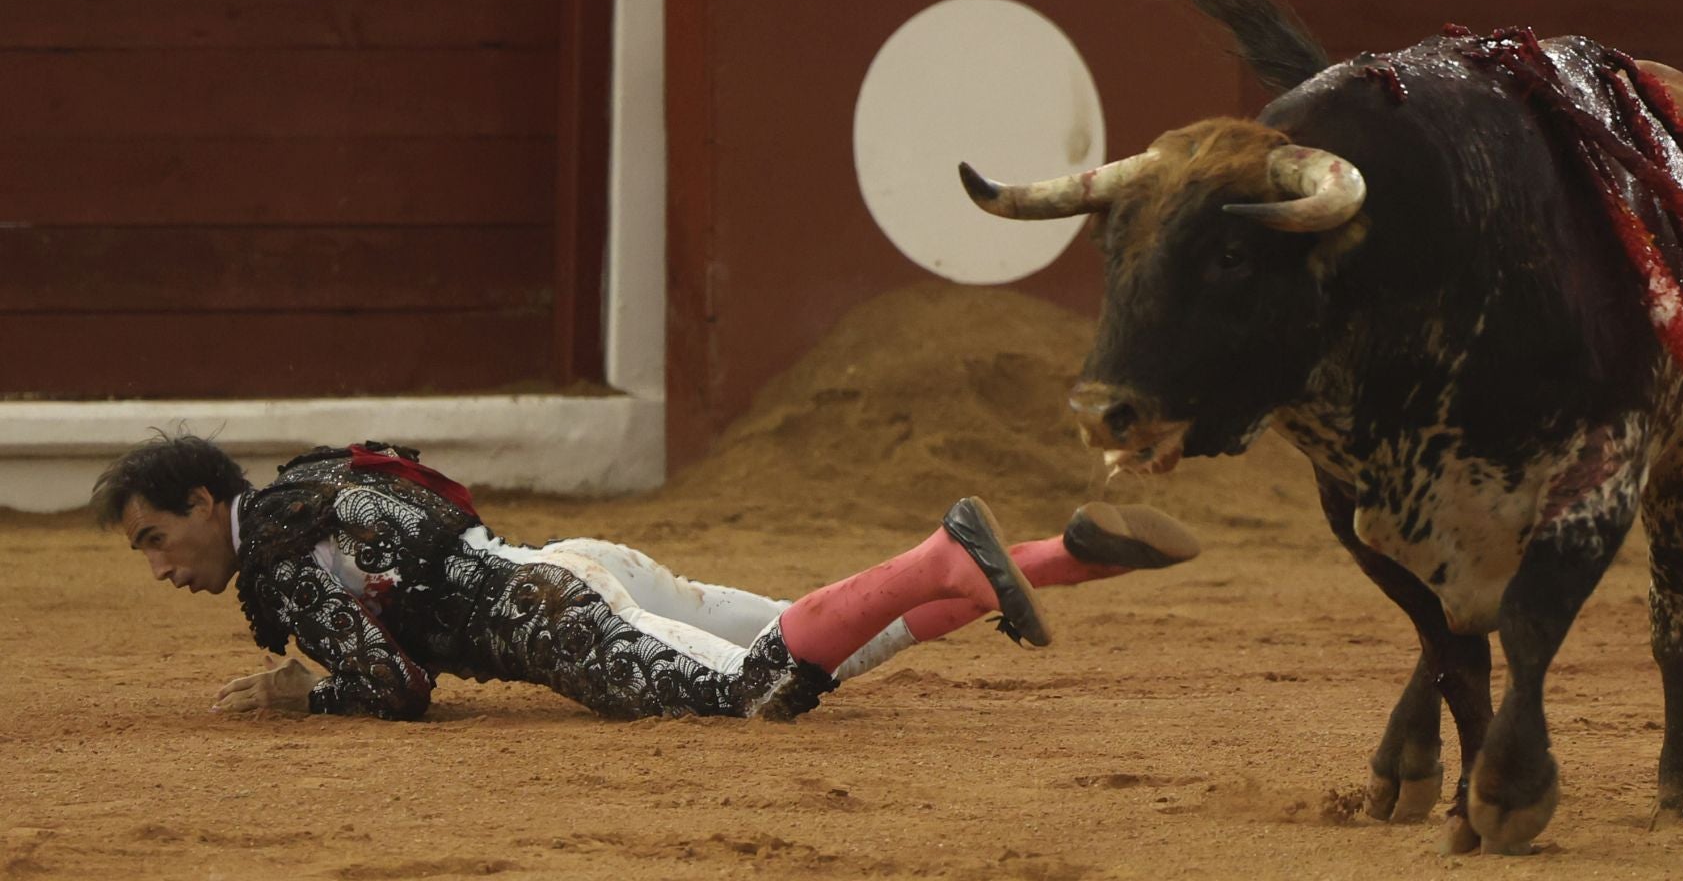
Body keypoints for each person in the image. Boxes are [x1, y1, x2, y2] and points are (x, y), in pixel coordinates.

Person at [97, 433, 1201, 720]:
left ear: (203, 504)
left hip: (553, 617)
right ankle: (1058, 557)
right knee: (824, 645)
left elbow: (396, 683)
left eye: (153, 536)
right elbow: (440, 521)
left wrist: (312, 690)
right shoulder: (316, 482)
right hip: (568, 567)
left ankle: (945, 554)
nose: (158, 566)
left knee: (755, 688)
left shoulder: (280, 565)